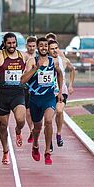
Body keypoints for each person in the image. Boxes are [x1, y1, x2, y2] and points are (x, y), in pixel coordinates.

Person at [21, 37, 63, 165]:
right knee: (37, 127)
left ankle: (47, 152)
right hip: (35, 99)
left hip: (49, 97)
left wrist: (60, 91)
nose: (44, 48)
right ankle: (35, 145)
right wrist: (35, 69)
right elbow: (22, 80)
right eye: (42, 46)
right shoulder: (31, 61)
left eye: (46, 46)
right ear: (37, 47)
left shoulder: (53, 62)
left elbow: (60, 74)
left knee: (49, 121)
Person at [0, 32, 26, 165]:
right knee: (3, 126)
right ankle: (5, 151)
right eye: (9, 43)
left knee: (21, 119)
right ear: (4, 43)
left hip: (18, 93)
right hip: (3, 94)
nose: (12, 45)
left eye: (14, 43)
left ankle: (18, 130)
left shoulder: (23, 56)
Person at [48, 39, 75, 149]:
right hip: (48, 92)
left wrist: (71, 85)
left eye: (56, 48)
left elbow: (72, 69)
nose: (54, 51)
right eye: (52, 49)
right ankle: (49, 141)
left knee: (59, 110)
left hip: (61, 91)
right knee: (48, 119)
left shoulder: (63, 60)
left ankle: (58, 134)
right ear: (47, 50)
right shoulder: (44, 61)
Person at [22, 36, 37, 144]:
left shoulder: (39, 56)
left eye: (33, 46)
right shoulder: (23, 56)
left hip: (38, 86)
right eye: (30, 46)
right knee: (27, 111)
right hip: (26, 86)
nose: (31, 48)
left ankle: (36, 128)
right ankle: (31, 129)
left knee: (36, 110)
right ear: (26, 46)